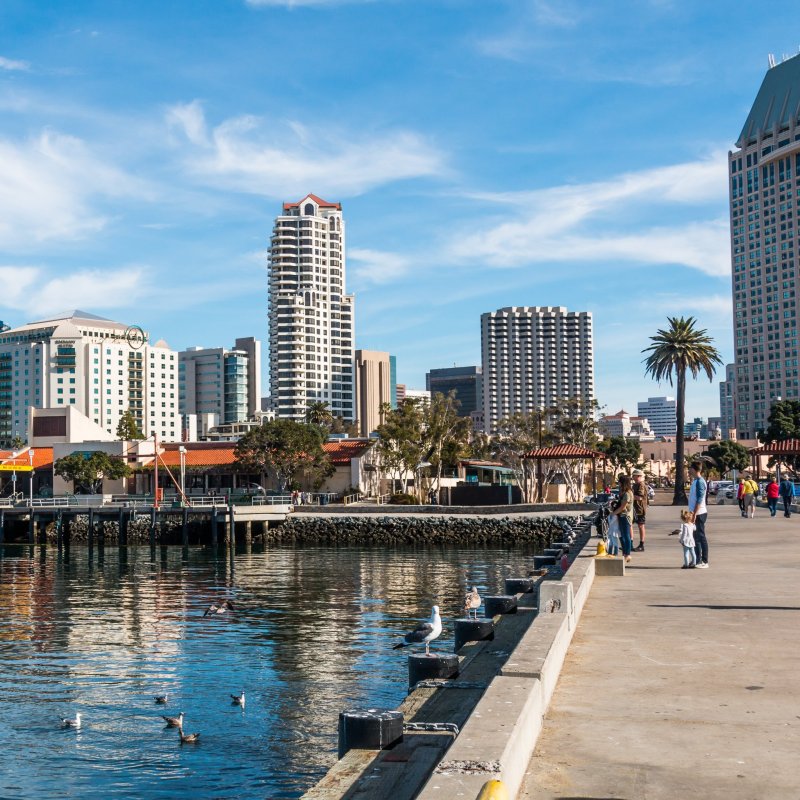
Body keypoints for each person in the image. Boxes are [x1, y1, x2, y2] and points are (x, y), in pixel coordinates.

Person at [687, 462, 708, 569]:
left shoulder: (700, 482)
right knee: (695, 538)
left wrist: (694, 513)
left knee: (700, 537)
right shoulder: (695, 481)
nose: (689, 470)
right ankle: (697, 559)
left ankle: (704, 561)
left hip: (699, 513)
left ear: (695, 469)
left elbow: (699, 500)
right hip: (693, 513)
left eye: (690, 468)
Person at [611, 474, 634, 563]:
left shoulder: (628, 494)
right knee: (622, 535)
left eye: (619, 482)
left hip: (625, 516)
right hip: (621, 516)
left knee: (626, 535)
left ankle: (627, 554)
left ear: (623, 483)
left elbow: (622, 507)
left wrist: (613, 513)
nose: (618, 484)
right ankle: (624, 553)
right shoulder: (624, 492)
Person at [632, 468, 648, 551]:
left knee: (641, 525)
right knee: (630, 525)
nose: (633, 478)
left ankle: (642, 544)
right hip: (634, 508)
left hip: (640, 509)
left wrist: (630, 496)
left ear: (639, 476)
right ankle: (630, 543)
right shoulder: (635, 485)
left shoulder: (641, 485)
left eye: (634, 476)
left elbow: (640, 497)